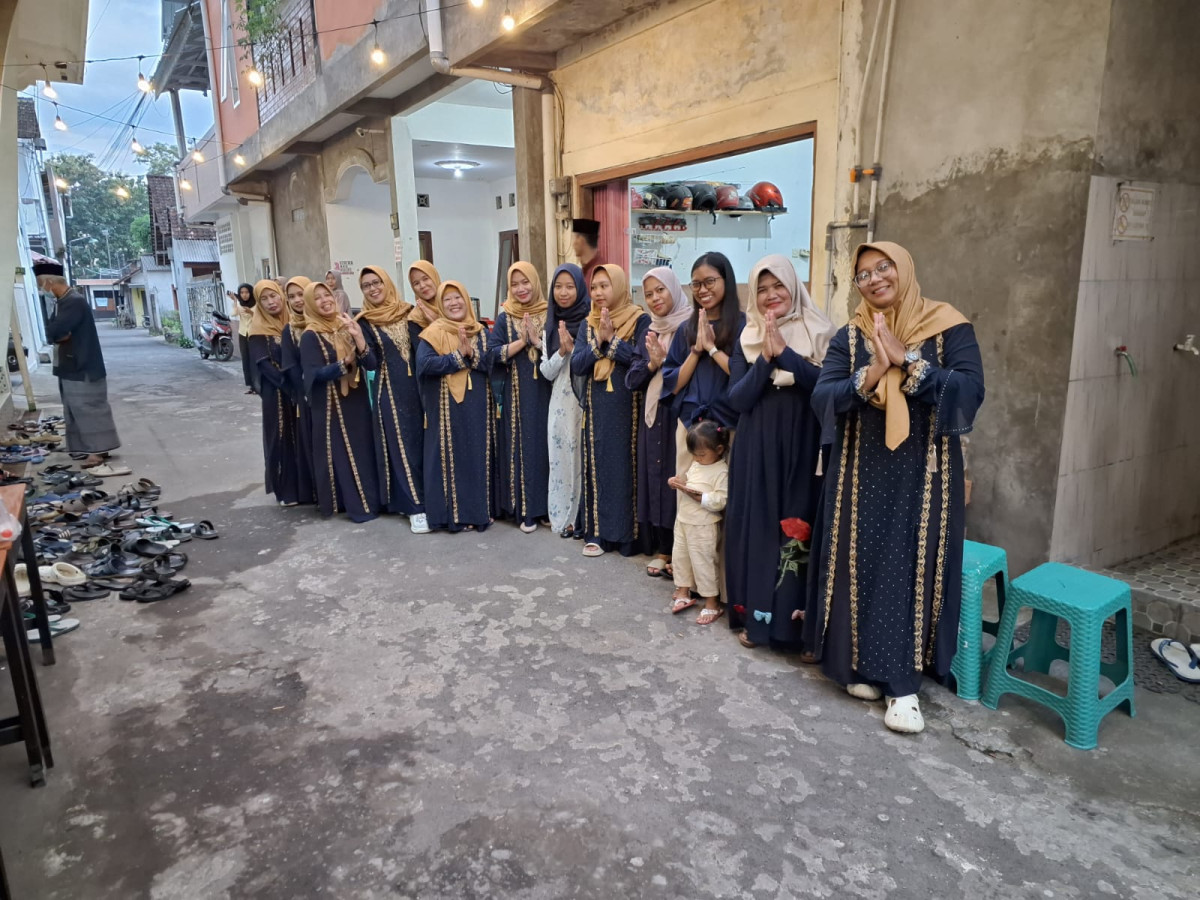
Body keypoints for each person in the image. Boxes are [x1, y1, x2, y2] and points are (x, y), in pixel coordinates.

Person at [803, 241, 984, 735]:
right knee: (858, 564)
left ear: (904, 268)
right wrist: (874, 371)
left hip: (922, 475)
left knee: (908, 566)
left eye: (883, 267)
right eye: (863, 274)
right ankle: (857, 667)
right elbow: (825, 396)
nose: (875, 278)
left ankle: (902, 685)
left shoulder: (947, 327)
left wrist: (911, 362)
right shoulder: (851, 335)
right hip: (859, 472)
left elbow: (970, 391)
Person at [725, 255, 835, 650]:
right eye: (762, 289)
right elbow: (737, 398)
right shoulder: (748, 335)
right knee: (759, 525)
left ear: (794, 286)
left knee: (799, 525)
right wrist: (766, 359)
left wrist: (787, 355)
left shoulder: (822, 331)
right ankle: (757, 620)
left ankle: (797, 628)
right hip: (757, 445)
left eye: (779, 286)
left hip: (805, 441)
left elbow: (827, 388)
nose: (771, 296)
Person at [571, 264, 650, 558]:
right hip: (597, 412)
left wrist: (613, 342)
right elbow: (577, 364)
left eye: (605, 285)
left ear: (618, 286)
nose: (599, 292)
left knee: (627, 469)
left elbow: (642, 360)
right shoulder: (587, 323)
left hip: (628, 409)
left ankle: (627, 536)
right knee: (597, 466)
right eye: (594, 287)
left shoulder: (640, 320)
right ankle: (597, 534)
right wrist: (599, 342)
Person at [627, 267, 691, 577]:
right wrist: (652, 363)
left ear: (674, 290)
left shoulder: (691, 326)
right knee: (657, 479)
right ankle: (663, 549)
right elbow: (632, 379)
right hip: (654, 416)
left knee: (679, 478)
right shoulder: (649, 331)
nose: (654, 299)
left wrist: (666, 364)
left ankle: (681, 553)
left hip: (680, 412)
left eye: (660, 290)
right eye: (649, 293)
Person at [416, 281, 494, 533]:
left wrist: (472, 353)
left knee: (475, 457)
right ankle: (455, 516)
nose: (453, 303)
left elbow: (491, 363)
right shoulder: (433, 332)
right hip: (446, 408)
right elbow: (425, 366)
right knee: (451, 459)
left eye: (457, 297)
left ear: (466, 300)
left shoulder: (480, 330)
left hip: (478, 406)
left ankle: (477, 512)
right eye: (447, 299)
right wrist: (458, 357)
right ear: (440, 304)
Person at [300, 281, 380, 523]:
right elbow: (313, 375)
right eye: (318, 298)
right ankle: (354, 505)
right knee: (342, 452)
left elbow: (371, 364)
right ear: (310, 305)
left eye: (328, 295)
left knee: (362, 449)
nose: (325, 301)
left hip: (356, 401)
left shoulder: (346, 326)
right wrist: (341, 365)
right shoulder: (310, 335)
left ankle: (372, 500)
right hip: (331, 405)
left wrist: (358, 338)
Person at [357, 265, 429, 534]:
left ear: (387, 283)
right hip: (390, 391)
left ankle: (429, 498)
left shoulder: (409, 310)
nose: (373, 288)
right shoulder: (365, 322)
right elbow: (371, 363)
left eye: (377, 282)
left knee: (423, 444)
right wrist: (358, 340)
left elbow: (425, 345)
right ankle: (414, 507)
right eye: (366, 286)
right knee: (401, 447)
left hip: (419, 388)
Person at [35, 262, 121, 467]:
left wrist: (59, 335)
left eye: (41, 283)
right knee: (73, 409)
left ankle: (97, 451)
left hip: (83, 366)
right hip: (70, 365)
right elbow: (56, 334)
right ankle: (83, 448)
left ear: (49, 282)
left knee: (89, 409)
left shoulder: (74, 302)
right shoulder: (63, 302)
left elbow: (57, 331)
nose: (41, 288)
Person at [489, 262, 552, 533]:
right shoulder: (505, 317)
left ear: (535, 282)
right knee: (522, 449)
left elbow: (563, 348)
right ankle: (526, 510)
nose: (521, 288)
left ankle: (548, 508)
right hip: (517, 396)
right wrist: (522, 342)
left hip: (547, 393)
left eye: (525, 282)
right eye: (514, 284)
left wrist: (539, 342)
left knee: (547, 449)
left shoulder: (550, 313)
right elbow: (492, 354)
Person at [540, 264, 590, 539]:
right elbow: (546, 372)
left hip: (584, 401)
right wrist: (562, 351)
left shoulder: (591, 320)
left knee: (583, 461)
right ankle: (564, 517)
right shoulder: (551, 324)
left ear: (580, 288)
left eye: (570, 286)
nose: (563, 292)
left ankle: (582, 518)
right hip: (559, 404)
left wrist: (578, 350)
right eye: (558, 286)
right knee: (561, 461)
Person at [667, 420, 730, 623]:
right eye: (694, 454)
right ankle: (683, 592)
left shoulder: (721, 471)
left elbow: (721, 499)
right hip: (684, 520)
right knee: (681, 558)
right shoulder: (696, 465)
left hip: (703, 525)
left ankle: (712, 603)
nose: (697, 459)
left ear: (719, 449)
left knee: (704, 564)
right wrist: (679, 484)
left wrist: (700, 497)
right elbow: (690, 484)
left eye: (702, 455)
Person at [249, 280, 305, 507]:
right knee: (281, 438)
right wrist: (289, 385)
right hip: (278, 392)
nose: (271, 302)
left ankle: (305, 488)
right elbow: (264, 365)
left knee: (301, 437)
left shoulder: (294, 321)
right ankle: (286, 490)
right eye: (264, 299)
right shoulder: (257, 329)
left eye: (274, 296)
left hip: (298, 389)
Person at [280, 276, 316, 506]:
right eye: (291, 296)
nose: (297, 300)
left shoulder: (328, 320)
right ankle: (315, 491)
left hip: (335, 393)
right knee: (311, 441)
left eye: (301, 294)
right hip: (307, 395)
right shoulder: (290, 329)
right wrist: (305, 390)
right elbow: (290, 365)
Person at [228, 282, 258, 394]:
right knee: (246, 360)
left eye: (246, 292)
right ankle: (251, 386)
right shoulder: (240, 304)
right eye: (242, 292)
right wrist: (235, 301)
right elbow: (233, 314)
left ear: (251, 292)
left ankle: (257, 385)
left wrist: (251, 312)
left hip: (254, 334)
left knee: (255, 360)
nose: (244, 295)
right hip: (242, 334)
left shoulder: (256, 304)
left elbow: (260, 318)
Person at [571, 218, 605, 288]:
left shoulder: (597, 273)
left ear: (581, 240)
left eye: (576, 238)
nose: (573, 244)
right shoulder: (585, 271)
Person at [407, 261, 441, 326]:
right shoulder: (415, 318)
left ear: (434, 277)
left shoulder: (452, 305)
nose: (422, 286)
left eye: (425, 279)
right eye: (416, 283)